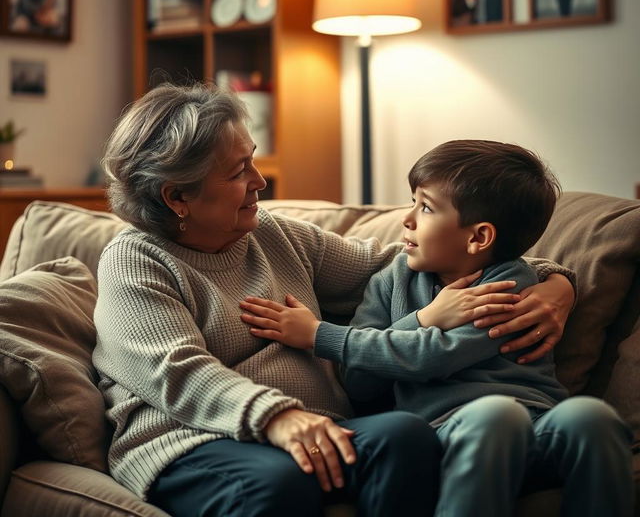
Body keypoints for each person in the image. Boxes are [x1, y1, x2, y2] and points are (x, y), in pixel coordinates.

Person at [94, 85, 576, 517]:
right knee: (278, 485)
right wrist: (278, 417)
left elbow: (412, 259)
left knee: (406, 435)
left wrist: (553, 283)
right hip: (191, 440)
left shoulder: (275, 235)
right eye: (239, 172)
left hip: (316, 430)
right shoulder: (135, 260)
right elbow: (178, 373)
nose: (261, 182)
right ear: (178, 196)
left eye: (254, 160)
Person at [241, 140, 633, 517]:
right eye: (413, 202)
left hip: (535, 427)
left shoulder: (509, 286)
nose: (406, 218)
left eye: (425, 208)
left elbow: (432, 356)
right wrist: (421, 319)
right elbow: (359, 383)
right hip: (447, 433)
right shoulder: (390, 281)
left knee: (591, 417)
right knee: (496, 416)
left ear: (479, 237)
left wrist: (318, 335)